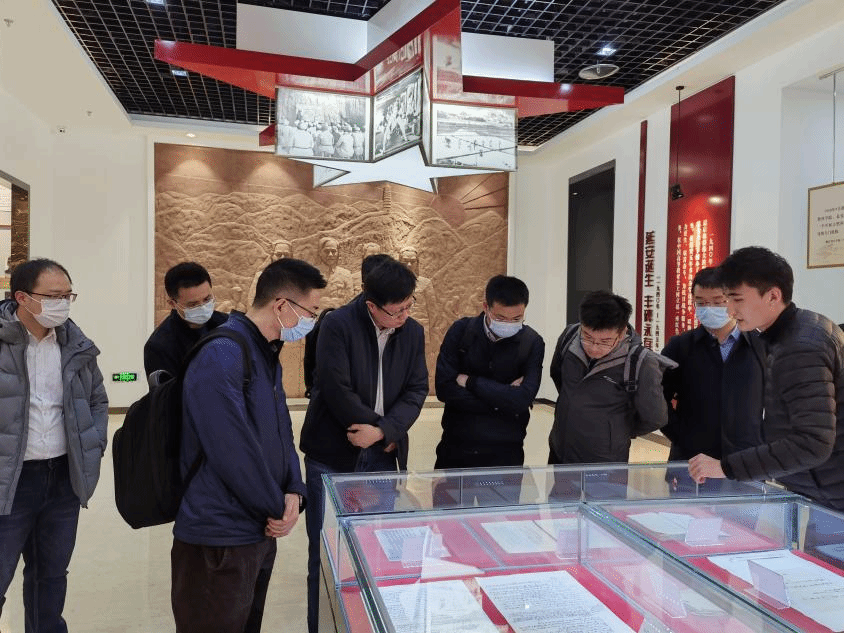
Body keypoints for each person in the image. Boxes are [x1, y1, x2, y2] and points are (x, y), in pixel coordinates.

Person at [171, 257, 326, 633]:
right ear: (282, 306)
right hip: (219, 535)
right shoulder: (223, 353)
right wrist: (276, 508)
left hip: (256, 529)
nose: (312, 321)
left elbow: (281, 429)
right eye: (311, 311)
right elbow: (230, 451)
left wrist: (295, 490)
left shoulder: (264, 351)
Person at [300, 257, 427, 633]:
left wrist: (384, 432)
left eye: (409, 306)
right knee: (326, 553)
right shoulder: (337, 324)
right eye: (396, 310)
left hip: (383, 457)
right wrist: (377, 429)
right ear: (372, 305)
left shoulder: (413, 331)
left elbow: (417, 388)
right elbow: (335, 388)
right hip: (332, 454)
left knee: (375, 550)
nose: (404, 316)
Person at [689, 247, 844, 510]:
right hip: (823, 487)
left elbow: (813, 443)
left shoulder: (801, 347)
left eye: (737, 299)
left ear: (773, 296)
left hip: (833, 491)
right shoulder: (796, 331)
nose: (730, 310)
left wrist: (726, 467)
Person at [0, 258, 108, 632]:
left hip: (62, 479)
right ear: (22, 297)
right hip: (9, 482)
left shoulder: (74, 344)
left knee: (50, 577)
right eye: (53, 296)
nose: (62, 304)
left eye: (67, 296)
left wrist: (93, 443)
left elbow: (97, 399)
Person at [548, 291, 675, 497]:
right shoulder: (569, 338)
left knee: (605, 513)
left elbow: (655, 417)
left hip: (605, 462)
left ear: (622, 332)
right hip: (562, 451)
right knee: (562, 510)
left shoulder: (640, 362)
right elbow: (558, 377)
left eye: (605, 341)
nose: (594, 348)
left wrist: (617, 430)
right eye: (588, 337)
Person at [433, 275, 544, 506]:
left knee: (499, 521)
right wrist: (503, 397)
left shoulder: (532, 342)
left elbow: (522, 399)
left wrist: (471, 382)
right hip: (457, 450)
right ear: (486, 307)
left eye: (517, 318)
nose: (509, 323)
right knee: (449, 523)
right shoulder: (461, 332)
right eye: (501, 317)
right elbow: (444, 388)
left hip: (505, 454)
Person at [661, 267, 763, 490]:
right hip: (692, 464)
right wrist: (681, 436)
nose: (709, 309)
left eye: (718, 302)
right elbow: (657, 398)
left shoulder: (761, 346)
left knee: (743, 514)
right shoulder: (680, 347)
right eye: (701, 302)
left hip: (745, 464)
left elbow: (778, 401)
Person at [144, 262, 228, 381]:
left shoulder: (229, 324)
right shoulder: (160, 347)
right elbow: (167, 392)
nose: (203, 307)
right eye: (193, 304)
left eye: (207, 299)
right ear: (173, 304)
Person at [315, 236, 353, 310]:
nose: (330, 254)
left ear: (338, 253)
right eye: (326, 251)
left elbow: (350, 299)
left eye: (333, 251)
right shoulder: (312, 274)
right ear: (320, 253)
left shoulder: (346, 274)